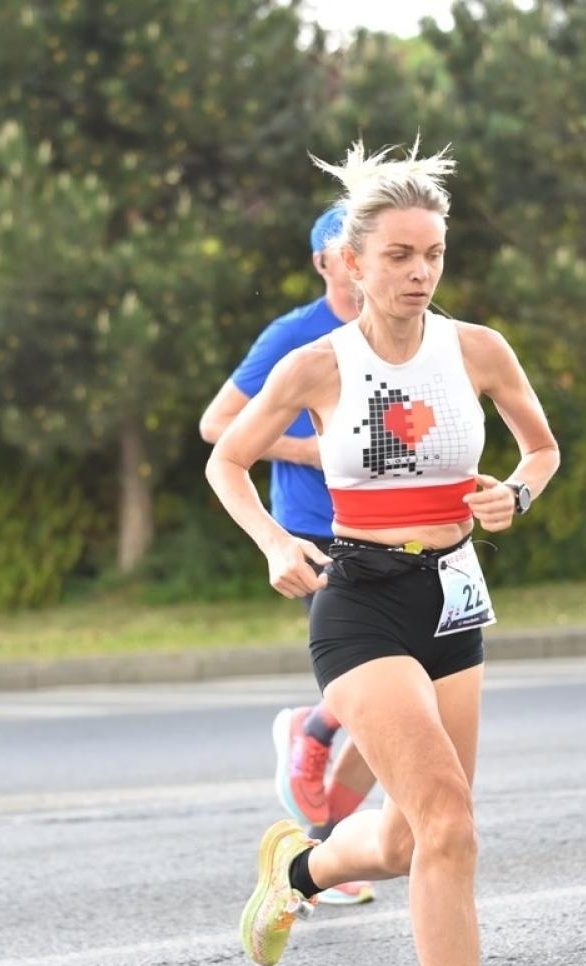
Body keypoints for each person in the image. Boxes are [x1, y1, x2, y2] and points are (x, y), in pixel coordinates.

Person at [207, 140, 559, 966]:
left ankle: (298, 868)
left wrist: (514, 496)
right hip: (360, 602)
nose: (419, 272)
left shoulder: (477, 349)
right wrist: (278, 543)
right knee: (451, 821)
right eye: (399, 255)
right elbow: (225, 457)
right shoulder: (316, 365)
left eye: (432, 254)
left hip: (453, 598)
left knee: (410, 841)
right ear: (352, 263)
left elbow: (542, 451)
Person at [200, 205, 379, 906]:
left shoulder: (394, 329)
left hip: (392, 526)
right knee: (375, 686)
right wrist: (305, 449)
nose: (362, 259)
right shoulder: (295, 336)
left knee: (409, 692)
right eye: (348, 248)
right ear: (326, 263)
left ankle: (322, 838)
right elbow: (217, 425)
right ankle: (317, 732)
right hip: (315, 527)